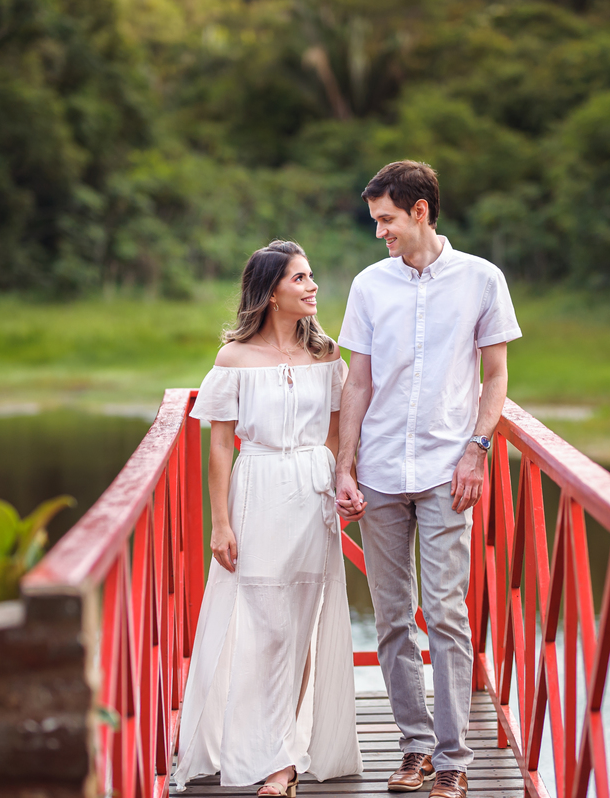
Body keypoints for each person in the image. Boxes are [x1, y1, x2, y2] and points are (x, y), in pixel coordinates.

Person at [335, 161, 521, 798]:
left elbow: (494, 377)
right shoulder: (368, 285)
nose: (379, 233)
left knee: (445, 613)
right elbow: (356, 382)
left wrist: (478, 449)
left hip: (449, 470)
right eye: (375, 221)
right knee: (391, 619)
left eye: (385, 219)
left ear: (420, 211)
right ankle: (413, 749)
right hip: (381, 470)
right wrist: (345, 465)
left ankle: (454, 758)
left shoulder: (481, 280)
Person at [174, 241, 363, 796]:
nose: (312, 287)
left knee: (299, 625)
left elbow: (336, 429)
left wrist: (336, 478)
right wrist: (220, 523)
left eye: (311, 276)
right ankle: (259, 744)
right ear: (271, 291)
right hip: (255, 492)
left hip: (311, 492)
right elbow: (219, 446)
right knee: (263, 626)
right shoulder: (233, 359)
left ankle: (281, 762)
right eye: (299, 279)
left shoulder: (327, 356)